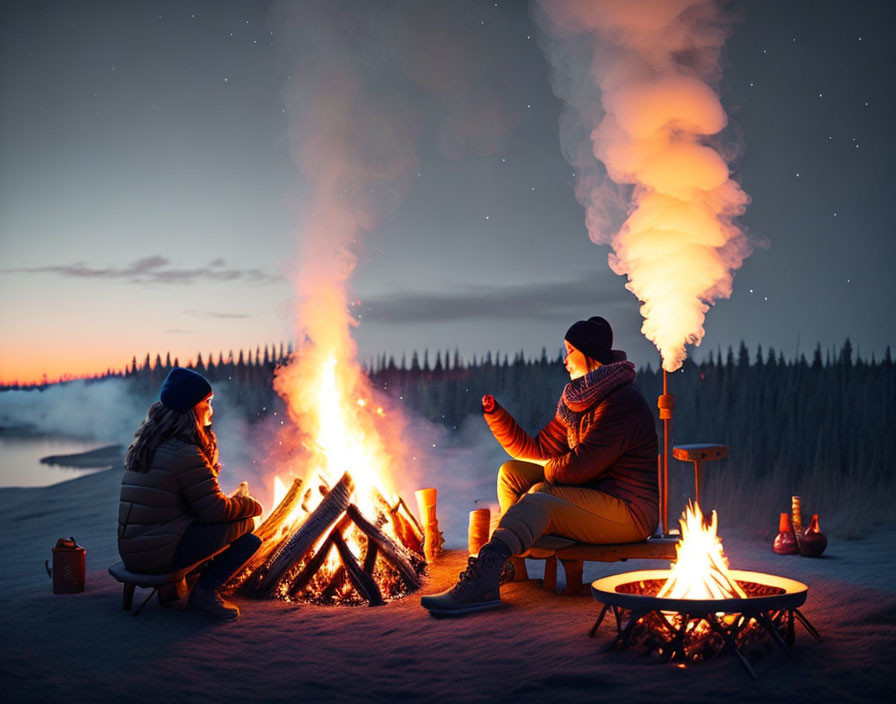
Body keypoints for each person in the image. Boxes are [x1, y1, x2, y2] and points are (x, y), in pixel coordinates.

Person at [421, 316, 658, 615]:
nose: (565, 360)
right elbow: (538, 451)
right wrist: (497, 416)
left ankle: (484, 575)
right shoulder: (579, 401)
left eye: (570, 350)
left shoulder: (621, 402)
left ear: (590, 354)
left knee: (539, 500)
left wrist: (543, 486)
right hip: (596, 494)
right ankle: (507, 564)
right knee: (512, 473)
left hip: (629, 511)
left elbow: (581, 467)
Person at [118, 367, 264, 621]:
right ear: (191, 409)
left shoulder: (147, 444)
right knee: (248, 532)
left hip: (132, 550)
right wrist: (249, 505)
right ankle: (204, 595)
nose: (211, 409)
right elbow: (215, 511)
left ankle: (173, 587)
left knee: (212, 526)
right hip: (157, 554)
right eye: (206, 402)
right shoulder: (185, 453)